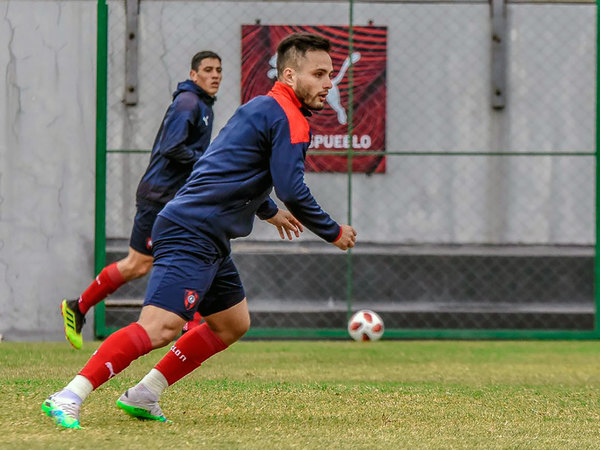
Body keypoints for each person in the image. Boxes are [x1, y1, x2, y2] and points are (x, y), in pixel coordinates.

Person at [42, 32, 357, 429]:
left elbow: (229, 167)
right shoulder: (288, 117)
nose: (330, 83)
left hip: (209, 233)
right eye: (320, 74)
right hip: (192, 229)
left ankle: (144, 393)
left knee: (232, 323)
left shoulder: (260, 108)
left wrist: (266, 210)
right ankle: (68, 395)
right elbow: (293, 187)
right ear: (290, 75)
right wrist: (332, 231)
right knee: (160, 328)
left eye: (331, 74)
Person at [61, 51, 223, 349]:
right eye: (208, 70)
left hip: (179, 201)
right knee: (138, 264)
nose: (215, 75)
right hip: (159, 198)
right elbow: (172, 148)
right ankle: (78, 307)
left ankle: (190, 323)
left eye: (218, 70)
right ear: (193, 75)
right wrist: (206, 162)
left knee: (197, 251)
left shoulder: (204, 106)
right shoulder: (188, 103)